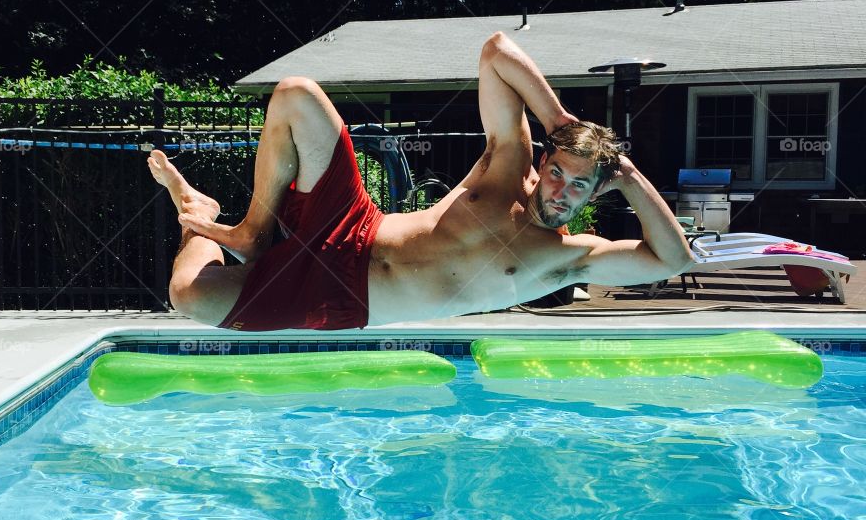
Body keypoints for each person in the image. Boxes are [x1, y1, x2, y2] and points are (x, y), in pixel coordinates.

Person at [148, 30, 695, 329]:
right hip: (351, 223)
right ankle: (252, 231)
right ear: (547, 159)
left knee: (188, 297)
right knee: (295, 93)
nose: (560, 190)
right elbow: (497, 50)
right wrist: (559, 122)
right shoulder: (509, 166)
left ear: (598, 191)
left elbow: (674, 260)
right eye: (558, 172)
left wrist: (626, 175)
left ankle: (200, 213)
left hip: (344, 298)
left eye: (580, 186)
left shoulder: (571, 256)